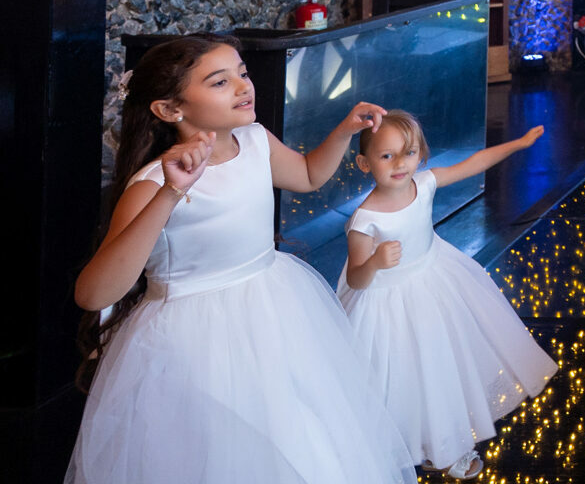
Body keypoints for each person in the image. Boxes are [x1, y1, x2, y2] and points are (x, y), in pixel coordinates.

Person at [68, 36, 416, 484]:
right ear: (170, 110)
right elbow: (94, 294)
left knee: (292, 433)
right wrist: (172, 192)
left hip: (273, 307)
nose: (243, 86)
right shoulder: (151, 183)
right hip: (195, 337)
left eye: (243, 73)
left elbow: (308, 175)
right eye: (220, 81)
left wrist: (346, 130)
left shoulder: (254, 140)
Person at [340, 114, 556, 477]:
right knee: (405, 379)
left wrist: (518, 144)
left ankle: (445, 444)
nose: (400, 164)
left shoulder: (424, 184)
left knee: (439, 369)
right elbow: (356, 279)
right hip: (388, 305)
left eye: (409, 153)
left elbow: (474, 163)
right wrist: (375, 262)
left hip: (434, 285)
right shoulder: (365, 219)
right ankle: (423, 445)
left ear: (421, 154)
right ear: (364, 163)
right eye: (386, 156)